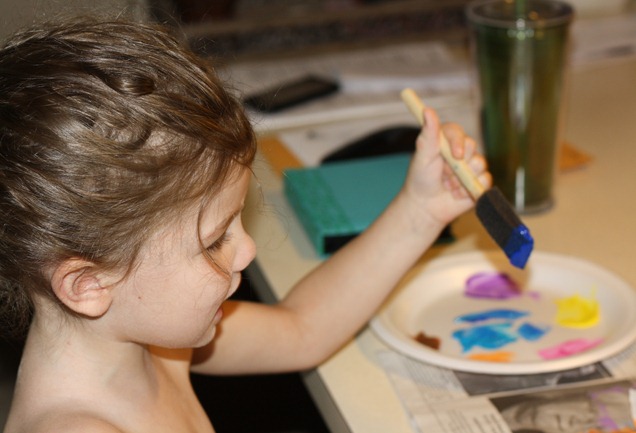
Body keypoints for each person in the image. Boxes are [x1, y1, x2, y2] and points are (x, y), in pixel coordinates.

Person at [0, 17, 490, 433]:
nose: (248, 250)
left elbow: (302, 330)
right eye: (215, 241)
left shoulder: (151, 337)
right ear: (87, 285)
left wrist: (421, 209)